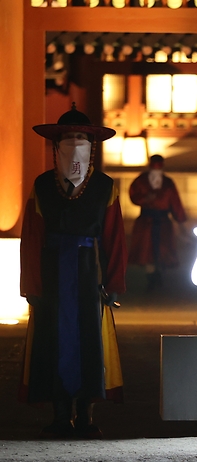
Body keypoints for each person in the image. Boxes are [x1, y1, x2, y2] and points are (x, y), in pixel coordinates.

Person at [19, 104, 126, 438]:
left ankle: (86, 414)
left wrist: (114, 281)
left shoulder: (105, 187)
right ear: (57, 145)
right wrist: (31, 284)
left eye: (81, 137)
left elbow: (115, 237)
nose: (75, 143)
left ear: (91, 145)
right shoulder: (42, 186)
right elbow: (32, 237)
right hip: (52, 275)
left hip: (88, 273)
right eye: (68, 138)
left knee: (89, 342)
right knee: (51, 340)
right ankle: (59, 414)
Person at [129, 154, 186, 290]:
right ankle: (151, 277)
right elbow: (134, 196)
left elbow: (175, 202)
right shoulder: (141, 181)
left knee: (162, 250)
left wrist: (180, 221)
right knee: (147, 251)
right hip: (146, 221)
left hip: (163, 222)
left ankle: (158, 275)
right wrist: (145, 198)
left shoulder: (167, 183)